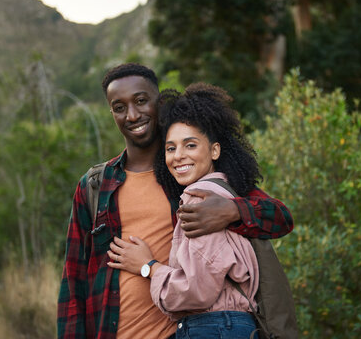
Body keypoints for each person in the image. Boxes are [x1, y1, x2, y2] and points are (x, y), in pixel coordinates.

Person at [57, 63, 293, 339]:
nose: (132, 115)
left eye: (141, 101)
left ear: (159, 103)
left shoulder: (189, 176)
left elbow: (279, 218)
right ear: (112, 112)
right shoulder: (95, 186)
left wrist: (232, 210)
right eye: (119, 107)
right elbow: (74, 284)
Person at [107, 83, 262, 338]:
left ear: (214, 150)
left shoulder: (201, 200)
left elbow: (195, 291)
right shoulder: (227, 193)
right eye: (171, 148)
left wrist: (148, 266)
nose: (178, 156)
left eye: (190, 145)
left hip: (213, 328)